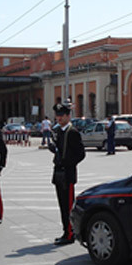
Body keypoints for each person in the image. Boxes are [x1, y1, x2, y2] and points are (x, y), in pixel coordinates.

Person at [48, 102, 85, 245]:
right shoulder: (58, 132)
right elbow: (59, 150)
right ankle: (66, 231)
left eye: (62, 115)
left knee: (68, 205)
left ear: (68, 116)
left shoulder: (72, 132)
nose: (59, 118)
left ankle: (70, 233)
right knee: (61, 205)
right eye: (57, 115)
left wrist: (68, 162)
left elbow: (80, 154)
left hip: (67, 173)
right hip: (58, 173)